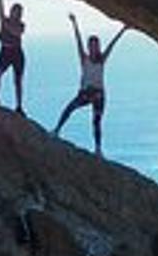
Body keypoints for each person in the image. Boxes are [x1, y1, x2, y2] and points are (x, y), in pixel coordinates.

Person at [52, 13, 128, 157]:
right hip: (86, 93)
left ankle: (98, 149)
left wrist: (123, 30)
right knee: (69, 108)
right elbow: (78, 41)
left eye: (96, 45)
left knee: (96, 121)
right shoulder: (84, 58)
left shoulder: (102, 59)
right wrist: (74, 24)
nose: (93, 48)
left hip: (98, 94)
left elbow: (112, 44)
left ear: (98, 47)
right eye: (91, 45)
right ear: (89, 47)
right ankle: (57, 130)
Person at [0, 0, 27, 113]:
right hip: (5, 51)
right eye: (14, 11)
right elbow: (0, 6)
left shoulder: (21, 24)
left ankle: (19, 106)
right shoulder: (5, 20)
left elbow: (17, 32)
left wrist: (5, 26)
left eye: (18, 12)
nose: (15, 13)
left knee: (17, 81)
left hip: (17, 53)